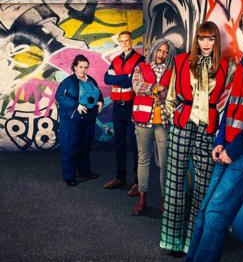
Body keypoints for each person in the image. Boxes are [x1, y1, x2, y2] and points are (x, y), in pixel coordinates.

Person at [186, 7, 243, 262]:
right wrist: (219, 141)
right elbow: (231, 106)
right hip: (226, 147)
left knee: (217, 214)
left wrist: (232, 150)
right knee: (205, 211)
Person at [159, 21, 235, 256]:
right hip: (183, 124)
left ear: (216, 41)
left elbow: (227, 101)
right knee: (174, 184)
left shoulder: (226, 67)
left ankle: (193, 240)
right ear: (196, 40)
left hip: (208, 128)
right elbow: (170, 92)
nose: (205, 43)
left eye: (210, 39)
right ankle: (172, 240)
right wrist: (172, 115)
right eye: (202, 38)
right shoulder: (181, 61)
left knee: (202, 187)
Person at [131, 39, 177, 215]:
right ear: (154, 50)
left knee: (165, 162)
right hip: (142, 120)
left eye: (165, 52)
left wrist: (156, 90)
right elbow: (136, 86)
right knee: (143, 159)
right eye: (160, 51)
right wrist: (155, 88)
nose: (162, 55)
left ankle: (164, 200)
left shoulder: (172, 71)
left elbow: (173, 91)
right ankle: (142, 198)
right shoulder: (141, 67)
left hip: (163, 122)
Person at [103, 31, 144, 196]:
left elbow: (133, 81)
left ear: (131, 41)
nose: (125, 43)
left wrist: (120, 77)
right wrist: (124, 77)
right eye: (122, 41)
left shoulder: (140, 60)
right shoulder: (116, 60)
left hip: (132, 105)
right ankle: (120, 177)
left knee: (135, 144)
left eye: (127, 40)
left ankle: (137, 182)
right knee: (119, 142)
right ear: (119, 42)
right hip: (117, 107)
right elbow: (107, 79)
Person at [56, 55, 104, 186]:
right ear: (75, 67)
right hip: (73, 119)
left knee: (85, 146)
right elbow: (59, 96)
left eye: (86, 67)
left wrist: (100, 102)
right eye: (81, 67)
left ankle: (84, 172)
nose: (83, 70)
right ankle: (69, 176)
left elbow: (97, 93)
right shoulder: (68, 81)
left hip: (89, 118)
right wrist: (75, 105)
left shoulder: (91, 80)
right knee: (70, 147)